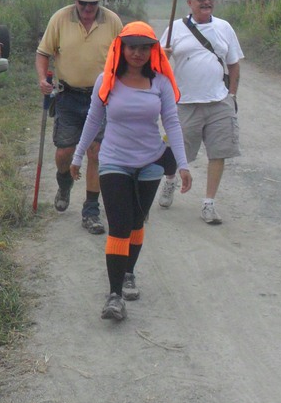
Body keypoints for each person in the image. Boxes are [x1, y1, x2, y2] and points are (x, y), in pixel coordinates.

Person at [69, 21, 192, 321]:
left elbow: (172, 123)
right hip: (114, 160)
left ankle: (128, 273)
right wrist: (78, 155)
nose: (137, 53)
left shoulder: (161, 83)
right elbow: (93, 120)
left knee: (137, 222)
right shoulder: (106, 81)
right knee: (119, 225)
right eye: (132, 47)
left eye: (144, 48)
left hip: (151, 161)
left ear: (152, 51)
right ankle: (114, 296)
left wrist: (183, 164)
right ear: (121, 49)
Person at [36, 0, 124, 235]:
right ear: (75, 0)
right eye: (83, 3)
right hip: (68, 96)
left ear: (100, 1)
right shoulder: (60, 19)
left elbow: (125, 55)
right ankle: (64, 183)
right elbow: (43, 53)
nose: (88, 8)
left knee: (96, 152)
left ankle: (91, 210)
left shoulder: (113, 21)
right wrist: (42, 79)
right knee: (64, 152)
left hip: (102, 97)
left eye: (93, 3)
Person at [158, 0, 243, 225]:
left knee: (219, 152)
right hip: (185, 102)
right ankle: (170, 180)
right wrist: (164, 55)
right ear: (190, 3)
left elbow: (234, 64)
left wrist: (232, 95)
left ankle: (209, 203)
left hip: (219, 101)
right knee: (174, 150)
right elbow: (158, 63)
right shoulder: (175, 28)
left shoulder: (224, 27)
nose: (206, 2)